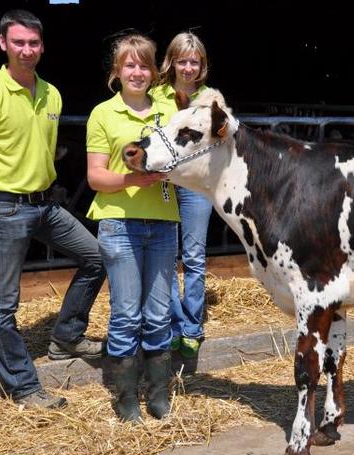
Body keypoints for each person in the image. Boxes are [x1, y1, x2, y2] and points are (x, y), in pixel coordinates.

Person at [0, 9, 106, 409]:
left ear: (42, 46)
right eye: (18, 42)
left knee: (97, 257)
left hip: (45, 204)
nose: (26, 50)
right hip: (3, 206)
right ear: (3, 44)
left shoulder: (51, 93)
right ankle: (22, 387)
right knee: (4, 305)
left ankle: (66, 336)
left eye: (33, 43)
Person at [86, 33, 179, 422]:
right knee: (126, 313)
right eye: (130, 65)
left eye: (144, 65)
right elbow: (94, 176)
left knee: (158, 313)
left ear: (154, 71)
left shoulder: (170, 113)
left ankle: (157, 392)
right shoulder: (103, 114)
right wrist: (131, 180)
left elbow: (185, 160)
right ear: (117, 71)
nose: (137, 72)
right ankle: (126, 397)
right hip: (119, 223)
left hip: (161, 222)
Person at [152, 30, 213, 360]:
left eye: (194, 61)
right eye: (182, 61)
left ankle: (191, 327)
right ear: (171, 62)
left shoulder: (210, 99)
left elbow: (220, 142)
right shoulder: (155, 95)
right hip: (162, 185)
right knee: (164, 255)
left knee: (193, 256)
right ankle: (173, 324)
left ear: (201, 65)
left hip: (195, 186)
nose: (188, 68)